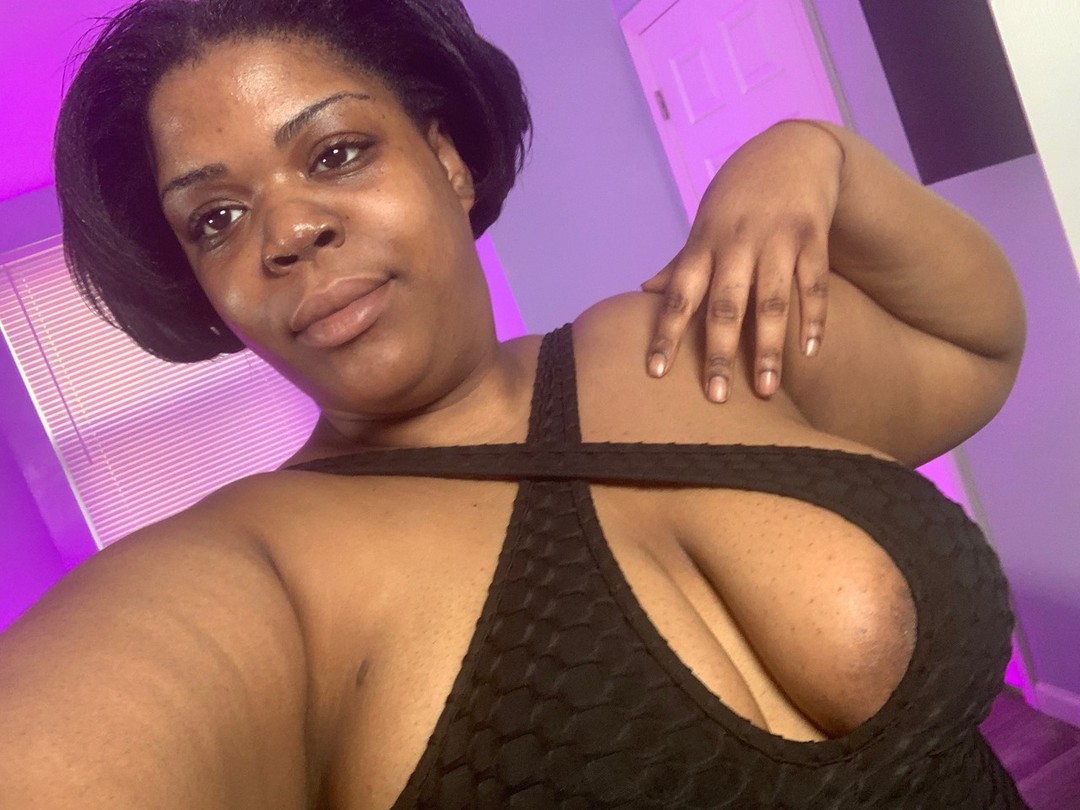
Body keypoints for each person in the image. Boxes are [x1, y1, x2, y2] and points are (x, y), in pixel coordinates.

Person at [0, 0, 1028, 807]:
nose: (288, 231)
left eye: (337, 152)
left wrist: (812, 154)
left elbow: (970, 346)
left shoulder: (670, 339)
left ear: (447, 160)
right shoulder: (262, 575)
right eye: (218, 218)